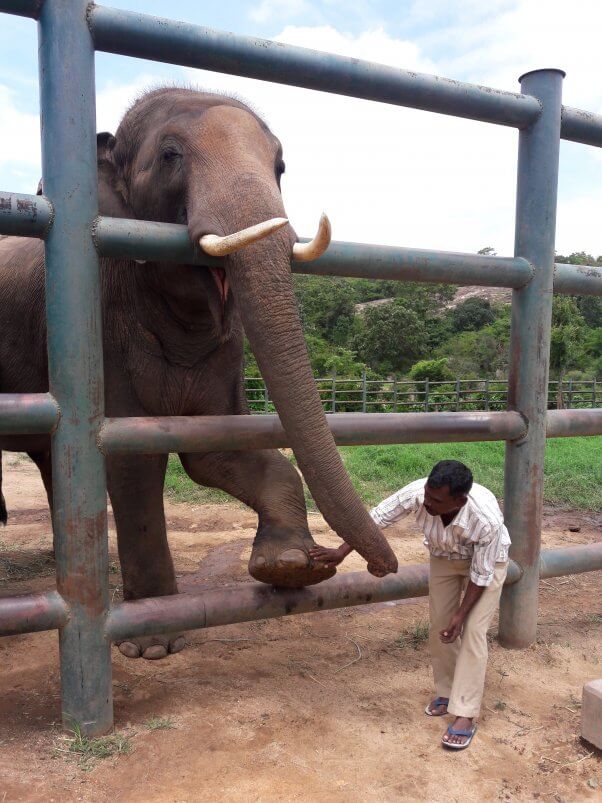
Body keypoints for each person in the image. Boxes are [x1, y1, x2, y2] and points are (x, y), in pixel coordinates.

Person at [309, 459, 510, 751]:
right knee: (441, 626)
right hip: (444, 557)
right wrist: (342, 552)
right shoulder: (418, 493)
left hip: (487, 565)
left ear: (460, 499)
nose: (426, 502)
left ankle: (465, 713)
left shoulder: (484, 519)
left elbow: (481, 575)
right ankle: (447, 691)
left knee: (473, 633)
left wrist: (461, 615)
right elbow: (375, 518)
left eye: (436, 500)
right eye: (427, 494)